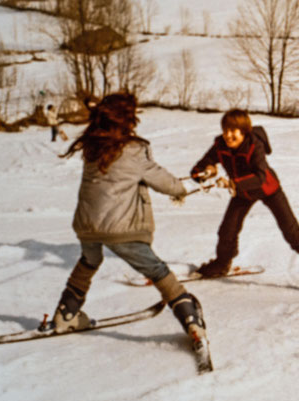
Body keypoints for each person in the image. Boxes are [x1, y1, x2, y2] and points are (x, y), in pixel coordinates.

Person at [51, 92, 208, 349]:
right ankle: (191, 319)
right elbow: (163, 181)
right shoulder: (134, 150)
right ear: (127, 120)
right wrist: (181, 189)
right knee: (157, 270)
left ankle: (65, 315)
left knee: (90, 261)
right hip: (120, 228)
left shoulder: (93, 147)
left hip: (87, 225)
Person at [190, 108, 299, 298]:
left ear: (244, 131)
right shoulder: (220, 145)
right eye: (226, 130)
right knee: (227, 229)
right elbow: (200, 166)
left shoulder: (254, 145)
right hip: (242, 193)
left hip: (268, 190)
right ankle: (222, 263)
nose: (228, 135)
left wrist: (233, 183)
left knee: (292, 232)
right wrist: (206, 172)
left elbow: (260, 176)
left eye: (233, 131)